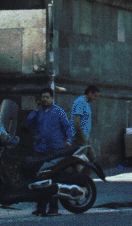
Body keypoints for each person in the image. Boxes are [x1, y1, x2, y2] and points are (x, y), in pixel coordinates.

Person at [26, 88, 72, 216]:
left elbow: (67, 127)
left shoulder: (59, 111)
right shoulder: (38, 112)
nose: (45, 99)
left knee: (52, 178)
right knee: (39, 178)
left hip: (54, 149)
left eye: (47, 97)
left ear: (52, 98)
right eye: (43, 97)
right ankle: (40, 207)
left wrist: (68, 140)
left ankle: (54, 208)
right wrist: (35, 110)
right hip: (40, 149)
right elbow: (28, 123)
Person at [71, 86, 99, 159]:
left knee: (91, 158)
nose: (95, 98)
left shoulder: (86, 103)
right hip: (79, 137)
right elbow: (76, 121)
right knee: (81, 161)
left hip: (84, 137)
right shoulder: (81, 102)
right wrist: (82, 136)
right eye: (95, 95)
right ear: (89, 93)